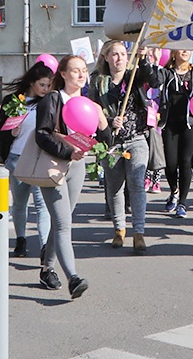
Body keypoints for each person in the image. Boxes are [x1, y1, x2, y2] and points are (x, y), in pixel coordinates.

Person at [36, 55, 111, 298]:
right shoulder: (52, 100)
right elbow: (42, 135)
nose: (81, 74)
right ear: (64, 74)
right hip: (53, 166)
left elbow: (104, 142)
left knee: (62, 220)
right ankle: (73, 278)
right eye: (75, 70)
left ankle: (47, 268)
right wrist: (68, 150)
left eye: (83, 71)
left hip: (76, 168)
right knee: (63, 225)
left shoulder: (89, 104)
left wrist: (103, 124)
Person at [88, 40, 159, 252]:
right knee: (115, 185)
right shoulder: (98, 82)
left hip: (136, 138)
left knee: (137, 182)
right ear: (107, 57)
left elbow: (152, 79)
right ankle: (119, 229)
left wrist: (144, 57)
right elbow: (92, 110)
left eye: (122, 54)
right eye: (115, 54)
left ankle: (139, 232)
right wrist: (109, 122)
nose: (119, 58)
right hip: (111, 142)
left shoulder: (133, 76)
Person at [0, 62, 54, 259]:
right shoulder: (13, 101)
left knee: (42, 205)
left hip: (41, 159)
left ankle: (45, 245)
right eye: (42, 85)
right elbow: (0, 129)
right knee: (20, 203)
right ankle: (21, 239)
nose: (46, 89)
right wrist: (11, 132)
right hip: (17, 159)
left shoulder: (48, 102)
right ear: (31, 82)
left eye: (49, 85)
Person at [159, 50, 193, 218]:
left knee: (186, 161)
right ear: (174, 53)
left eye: (188, 48)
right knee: (171, 163)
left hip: (190, 122)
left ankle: (183, 202)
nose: (185, 51)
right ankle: (174, 190)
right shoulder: (166, 73)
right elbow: (152, 82)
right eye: (181, 48)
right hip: (170, 123)